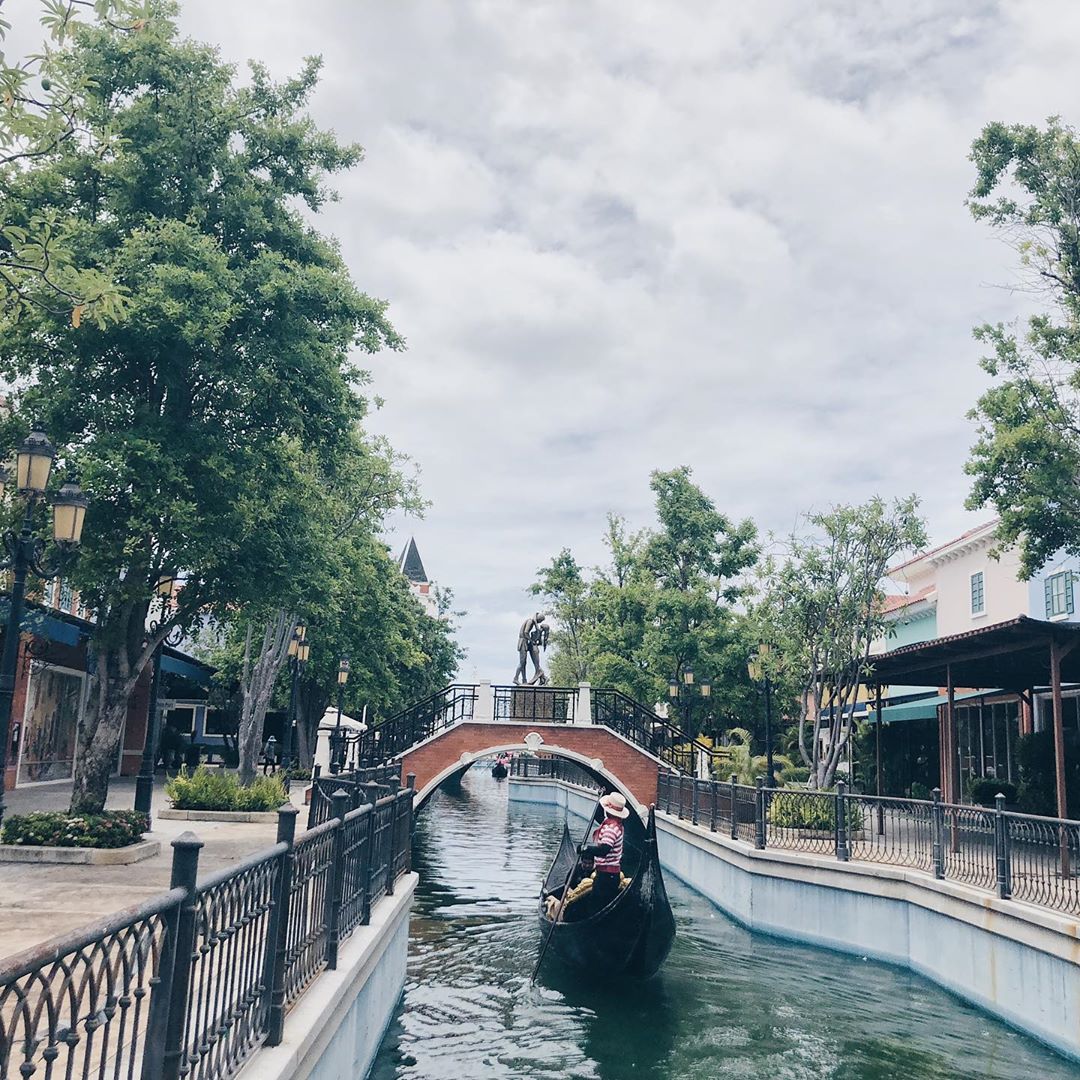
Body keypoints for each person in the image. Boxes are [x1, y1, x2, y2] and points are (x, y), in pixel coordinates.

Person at [579, 792, 630, 913]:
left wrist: (585, 849)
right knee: (601, 905)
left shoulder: (611, 828)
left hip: (606, 876)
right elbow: (597, 816)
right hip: (609, 874)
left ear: (609, 810)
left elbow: (604, 850)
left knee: (596, 908)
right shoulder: (615, 824)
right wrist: (600, 796)